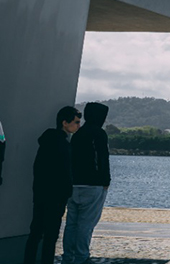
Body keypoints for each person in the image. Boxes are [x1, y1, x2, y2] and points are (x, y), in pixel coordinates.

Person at [24, 106, 81, 264]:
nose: (78, 126)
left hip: (41, 194)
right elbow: (65, 171)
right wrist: (66, 191)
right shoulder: (63, 145)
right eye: (76, 122)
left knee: (35, 233)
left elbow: (38, 168)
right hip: (56, 197)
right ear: (65, 123)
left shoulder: (46, 142)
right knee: (50, 236)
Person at [62, 102, 110, 264]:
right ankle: (81, 257)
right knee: (86, 224)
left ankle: (68, 257)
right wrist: (105, 180)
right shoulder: (99, 133)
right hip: (93, 185)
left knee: (71, 224)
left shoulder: (78, 133)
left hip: (74, 184)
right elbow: (103, 158)